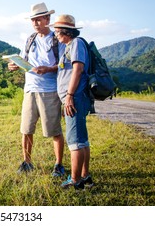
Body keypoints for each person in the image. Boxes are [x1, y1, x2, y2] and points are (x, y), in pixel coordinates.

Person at [8, 2, 65, 177]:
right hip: (29, 90)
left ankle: (58, 165)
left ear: (47, 19)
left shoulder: (57, 40)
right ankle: (27, 162)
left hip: (50, 91)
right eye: (33, 20)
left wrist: (48, 69)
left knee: (54, 130)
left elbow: (65, 63)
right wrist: (14, 65)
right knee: (26, 129)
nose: (35, 23)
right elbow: (23, 59)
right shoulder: (30, 39)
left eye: (38, 20)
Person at [47, 14, 94, 189]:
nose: (55, 35)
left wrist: (69, 95)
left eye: (57, 31)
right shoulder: (71, 45)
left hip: (75, 98)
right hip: (76, 97)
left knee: (74, 140)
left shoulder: (76, 44)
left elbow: (78, 69)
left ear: (65, 31)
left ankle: (75, 180)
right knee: (82, 139)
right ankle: (85, 176)